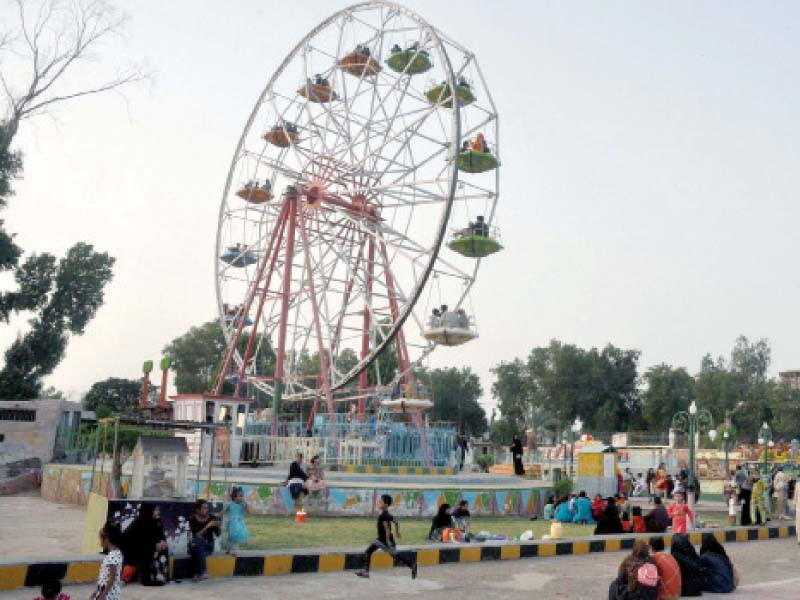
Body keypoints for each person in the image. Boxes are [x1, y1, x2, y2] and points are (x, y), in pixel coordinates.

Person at [356, 494, 416, 579]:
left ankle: (412, 566)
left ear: (386, 505)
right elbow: (396, 522)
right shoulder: (387, 514)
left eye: (380, 502)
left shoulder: (383, 516)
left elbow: (387, 529)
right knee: (369, 551)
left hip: (385, 541)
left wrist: (388, 540)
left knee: (395, 557)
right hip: (380, 540)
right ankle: (366, 572)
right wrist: (397, 531)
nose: (378, 503)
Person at [120, 503, 169, 585]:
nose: (158, 512)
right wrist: (154, 545)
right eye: (156, 510)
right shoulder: (140, 522)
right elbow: (139, 540)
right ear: (149, 511)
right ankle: (146, 579)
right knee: (146, 550)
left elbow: (161, 535)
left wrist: (162, 542)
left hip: (148, 545)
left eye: (158, 510)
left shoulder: (157, 521)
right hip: (132, 548)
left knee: (163, 549)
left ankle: (159, 576)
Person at [188, 499, 221, 581]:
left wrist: (218, 526)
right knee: (198, 541)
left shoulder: (212, 518)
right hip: (197, 544)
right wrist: (207, 526)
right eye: (204, 508)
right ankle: (203, 572)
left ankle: (197, 573)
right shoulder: (193, 519)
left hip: (208, 545)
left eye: (207, 508)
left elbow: (218, 534)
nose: (206, 510)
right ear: (197, 510)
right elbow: (196, 535)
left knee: (197, 550)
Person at [92, 522, 123, 600]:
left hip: (109, 594)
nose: (100, 542)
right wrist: (96, 592)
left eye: (101, 539)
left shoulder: (112, 557)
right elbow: (105, 577)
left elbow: (112, 578)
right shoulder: (116, 553)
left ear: (107, 539)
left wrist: (103, 595)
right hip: (107, 591)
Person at [224, 487, 248, 556]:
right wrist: (218, 514)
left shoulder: (242, 505)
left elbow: (248, 511)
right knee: (230, 537)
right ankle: (228, 549)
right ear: (234, 497)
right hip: (231, 523)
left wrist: (245, 504)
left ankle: (234, 551)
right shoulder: (230, 504)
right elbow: (224, 510)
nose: (242, 497)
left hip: (239, 524)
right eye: (240, 496)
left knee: (236, 537)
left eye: (242, 496)